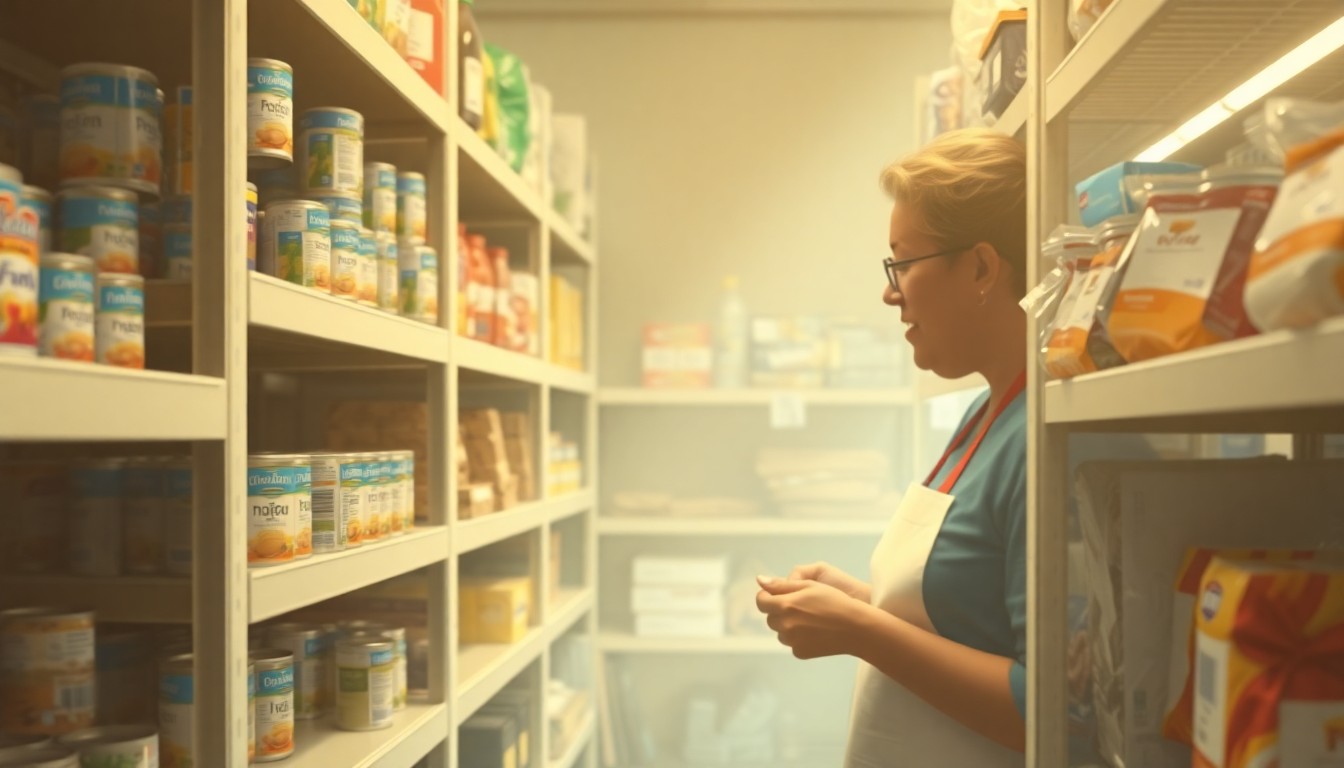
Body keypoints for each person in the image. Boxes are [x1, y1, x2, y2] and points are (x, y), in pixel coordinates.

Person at [756, 127, 1032, 765]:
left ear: (983, 268)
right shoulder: (981, 415)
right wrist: (859, 602)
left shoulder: (1039, 440)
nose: (890, 291)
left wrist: (861, 629)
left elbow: (1047, 707)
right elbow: (965, 616)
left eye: (902, 263)